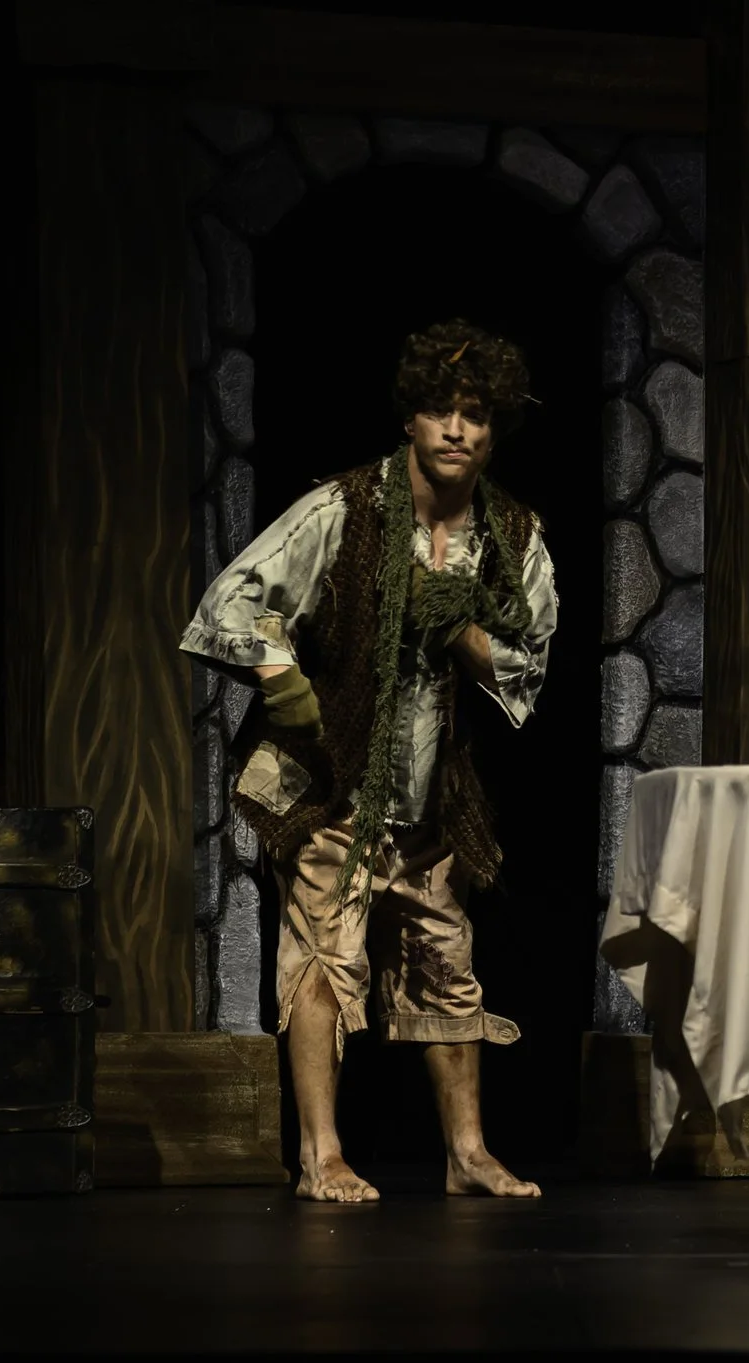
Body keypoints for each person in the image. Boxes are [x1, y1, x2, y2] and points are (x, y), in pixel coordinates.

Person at [181, 320, 559, 1203]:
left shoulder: (510, 534)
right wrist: (279, 674)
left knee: (447, 964)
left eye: (476, 413)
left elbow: (525, 661)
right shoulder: (346, 508)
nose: (457, 429)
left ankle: (467, 1152)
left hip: (429, 797)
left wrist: (454, 625)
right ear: (410, 419)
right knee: (324, 956)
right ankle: (321, 1154)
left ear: (496, 427)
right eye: (440, 409)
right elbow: (229, 600)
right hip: (328, 783)